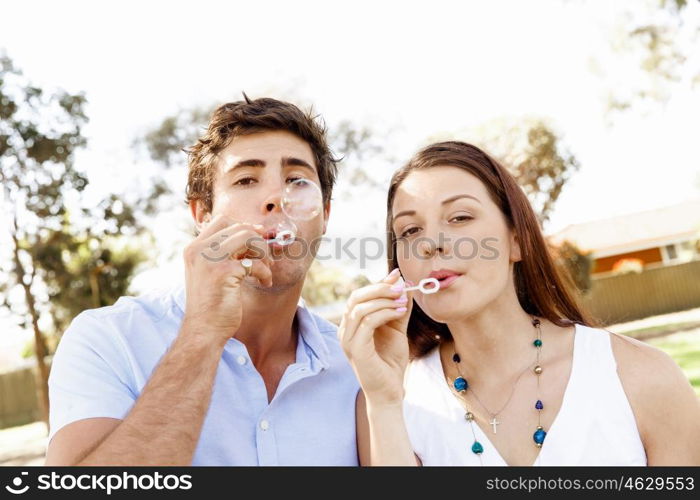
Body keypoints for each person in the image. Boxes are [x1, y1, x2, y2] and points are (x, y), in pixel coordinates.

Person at [339, 141, 700, 466]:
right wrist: (384, 403)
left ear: (517, 241)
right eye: (410, 231)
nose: (430, 243)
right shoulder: (387, 400)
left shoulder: (645, 378)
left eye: (460, 217)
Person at [46, 96, 360, 466]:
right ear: (203, 213)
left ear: (324, 214)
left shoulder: (357, 367)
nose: (277, 197)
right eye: (246, 179)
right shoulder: (107, 340)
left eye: (296, 179)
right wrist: (202, 333)